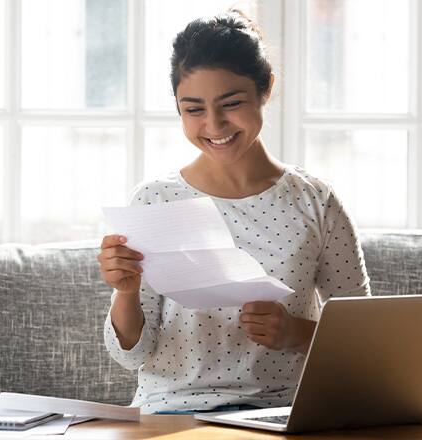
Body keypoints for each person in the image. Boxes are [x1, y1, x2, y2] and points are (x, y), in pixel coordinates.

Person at [97, 9, 370, 414]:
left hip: (282, 412)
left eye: (231, 103)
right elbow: (133, 356)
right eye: (193, 109)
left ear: (267, 89)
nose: (213, 124)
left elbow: (366, 344)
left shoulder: (316, 202)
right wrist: (126, 290)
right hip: (173, 412)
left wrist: (297, 334)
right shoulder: (155, 200)